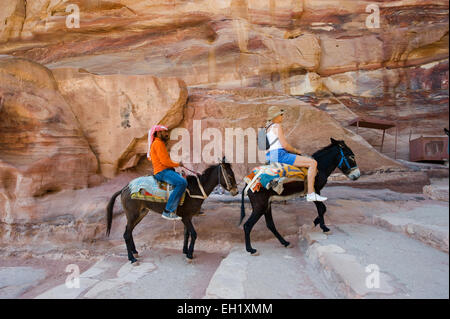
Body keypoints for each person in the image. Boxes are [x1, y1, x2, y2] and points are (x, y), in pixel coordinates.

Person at [265, 106, 327, 202]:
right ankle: (310, 193)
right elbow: (285, 145)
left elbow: (265, 149)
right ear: (276, 116)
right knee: (313, 163)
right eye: (281, 114)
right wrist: (296, 151)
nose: (282, 116)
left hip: (270, 157)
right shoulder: (277, 126)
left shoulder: (265, 128)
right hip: (280, 155)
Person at [148, 125, 187, 220]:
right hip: (162, 172)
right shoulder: (158, 143)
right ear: (158, 133)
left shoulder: (158, 143)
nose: (167, 134)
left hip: (164, 170)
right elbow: (165, 162)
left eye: (167, 132)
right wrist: (178, 164)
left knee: (183, 178)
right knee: (182, 182)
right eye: (164, 132)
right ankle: (168, 211)